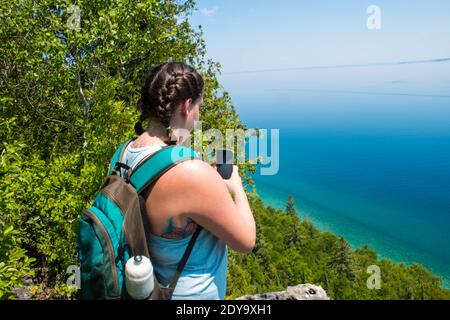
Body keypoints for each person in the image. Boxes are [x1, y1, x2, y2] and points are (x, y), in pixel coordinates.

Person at [122, 61, 256, 300]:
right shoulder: (190, 172)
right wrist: (235, 187)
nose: (198, 117)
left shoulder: (123, 154)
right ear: (186, 106)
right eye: (199, 107)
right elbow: (246, 242)